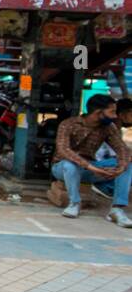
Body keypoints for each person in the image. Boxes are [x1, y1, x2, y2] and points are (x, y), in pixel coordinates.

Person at [47, 94, 132, 228]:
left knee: (128, 164)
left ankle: (117, 209)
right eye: (112, 112)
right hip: (62, 167)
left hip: (91, 168)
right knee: (70, 165)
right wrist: (91, 168)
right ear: (99, 112)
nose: (115, 116)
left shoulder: (109, 127)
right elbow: (64, 151)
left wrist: (121, 166)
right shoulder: (68, 124)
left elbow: (122, 149)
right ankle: (74, 203)